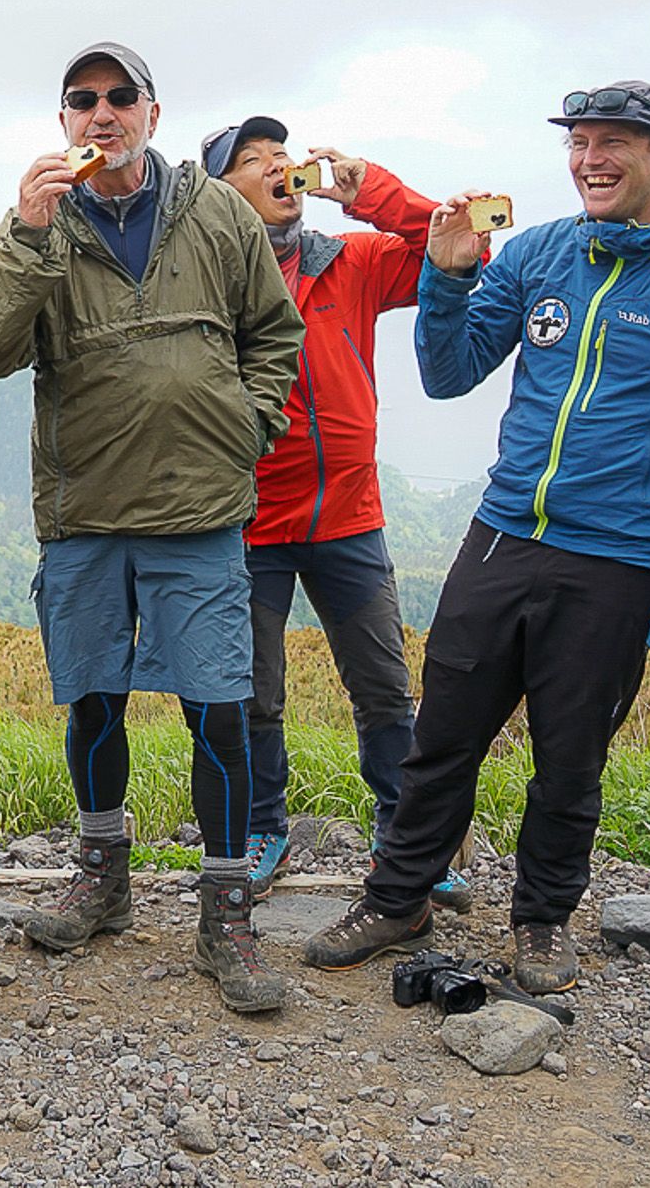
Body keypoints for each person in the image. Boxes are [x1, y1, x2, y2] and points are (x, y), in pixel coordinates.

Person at [301, 81, 650, 994]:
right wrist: (446, 277)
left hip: (621, 560)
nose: (591, 159)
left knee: (570, 757)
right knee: (439, 734)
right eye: (580, 142)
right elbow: (447, 373)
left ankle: (543, 920)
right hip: (504, 533)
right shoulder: (546, 254)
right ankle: (398, 896)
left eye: (616, 143)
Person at [0, 43, 304, 1013]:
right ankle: (101, 877)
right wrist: (26, 233)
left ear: (151, 110)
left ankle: (224, 908)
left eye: (118, 98)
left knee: (217, 708)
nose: (99, 114)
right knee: (94, 700)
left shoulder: (219, 212)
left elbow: (273, 333)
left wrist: (248, 422)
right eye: (80, 100)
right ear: (62, 119)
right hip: (86, 512)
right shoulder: (39, 218)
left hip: (200, 509)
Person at [199, 117, 467, 909]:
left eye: (283, 155)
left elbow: (450, 253)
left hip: (349, 516)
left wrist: (367, 188)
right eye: (253, 161)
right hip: (247, 522)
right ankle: (260, 830)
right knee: (254, 693)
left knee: (384, 687)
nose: (279, 166)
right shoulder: (209, 281)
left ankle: (407, 840)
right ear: (220, 194)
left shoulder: (347, 260)